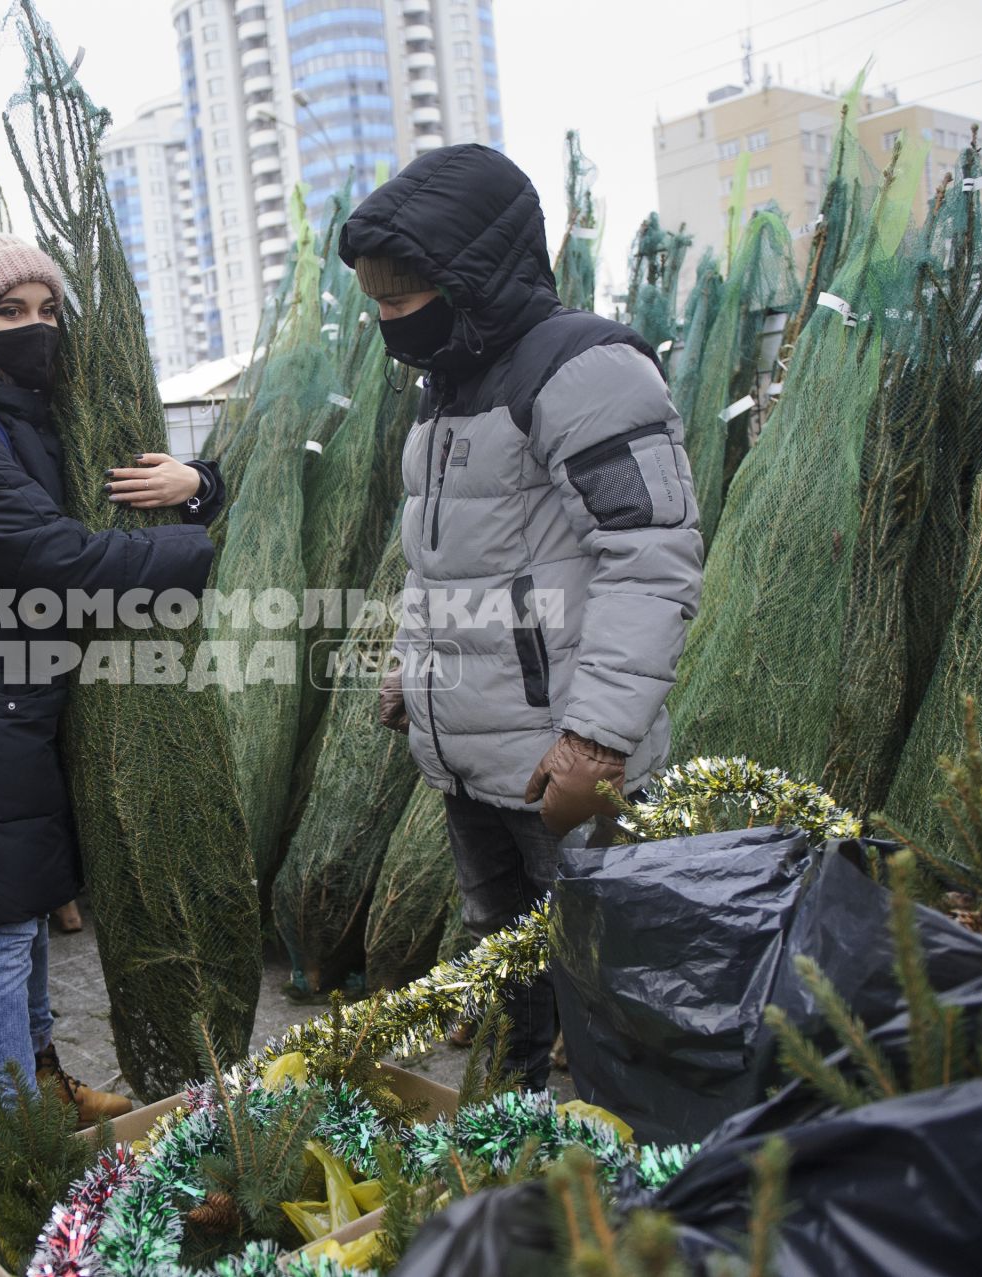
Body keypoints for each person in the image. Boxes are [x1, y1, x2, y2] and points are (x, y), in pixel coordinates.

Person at [340, 145, 703, 1088]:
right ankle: (506, 1160)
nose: (387, 319)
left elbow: (651, 560)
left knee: (608, 979)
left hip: (560, 765)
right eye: (377, 301)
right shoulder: (445, 392)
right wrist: (410, 672)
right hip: (472, 760)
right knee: (506, 973)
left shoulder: (584, 373)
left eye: (401, 295)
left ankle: (628, 1186)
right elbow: (444, 565)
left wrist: (598, 739)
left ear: (469, 278)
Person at [0, 231, 226, 1121]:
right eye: (9, 312)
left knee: (28, 913)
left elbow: (119, 491)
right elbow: (60, 559)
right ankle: (21, 1127)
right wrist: (192, 551)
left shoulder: (28, 419)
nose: (34, 329)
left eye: (46, 310)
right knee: (2, 929)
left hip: (19, 706)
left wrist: (198, 485)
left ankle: (43, 1082)